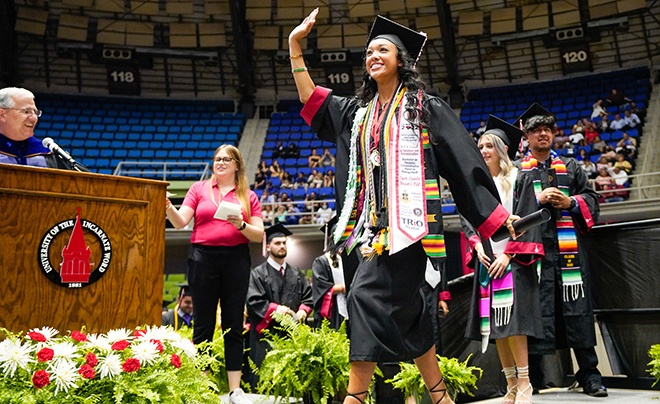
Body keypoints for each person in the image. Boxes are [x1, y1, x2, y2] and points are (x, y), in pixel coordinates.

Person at [289, 12, 517, 404]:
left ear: (401, 60)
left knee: (361, 297)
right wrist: (295, 48)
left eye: (383, 49)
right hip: (368, 231)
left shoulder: (424, 109)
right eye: (369, 52)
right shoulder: (356, 113)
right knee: (410, 314)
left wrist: (495, 217)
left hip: (411, 229)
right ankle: (440, 394)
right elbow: (312, 98)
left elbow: (465, 162)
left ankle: (354, 397)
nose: (373, 55)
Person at [514, 104, 606, 398]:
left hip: (568, 255)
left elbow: (591, 198)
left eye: (547, 129)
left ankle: (590, 375)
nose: (542, 134)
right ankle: (535, 379)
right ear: (526, 136)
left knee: (576, 309)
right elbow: (508, 210)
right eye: (536, 130)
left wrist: (571, 203)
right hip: (534, 253)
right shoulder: (517, 172)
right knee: (536, 312)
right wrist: (535, 198)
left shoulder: (571, 166)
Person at [165, 144, 264, 404]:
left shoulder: (248, 196)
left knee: (233, 323)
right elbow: (180, 222)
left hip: (236, 260)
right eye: (216, 159)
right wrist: (168, 207)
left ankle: (235, 389)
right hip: (203, 258)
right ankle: (202, 385)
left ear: (236, 165)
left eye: (225, 159)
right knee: (203, 324)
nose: (219, 163)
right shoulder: (198, 189)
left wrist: (241, 224)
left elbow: (258, 233)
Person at [462, 116, 544, 404]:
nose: (483, 150)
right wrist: (475, 245)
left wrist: (508, 254)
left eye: (489, 146)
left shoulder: (519, 178)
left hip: (513, 262)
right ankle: (510, 384)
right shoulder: (478, 186)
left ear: (502, 148)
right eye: (480, 146)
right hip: (487, 263)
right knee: (497, 327)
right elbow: (469, 221)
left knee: (514, 325)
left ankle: (525, 383)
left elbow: (529, 219)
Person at [246, 224, 313, 388]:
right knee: (265, 381)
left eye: (284, 242)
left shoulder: (296, 273)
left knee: (293, 382)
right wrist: (277, 309)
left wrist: (303, 311)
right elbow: (254, 301)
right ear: (267, 247)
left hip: (292, 336)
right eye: (277, 243)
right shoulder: (257, 274)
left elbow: (308, 297)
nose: (282, 246)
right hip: (266, 338)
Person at [0, 87, 88, 171]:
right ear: (2, 114)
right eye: (26, 111)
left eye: (35, 112)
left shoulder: (46, 153)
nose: (33, 118)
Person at [312, 217, 349, 330]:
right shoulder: (322, 262)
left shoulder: (352, 259)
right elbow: (320, 288)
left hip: (353, 307)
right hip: (333, 312)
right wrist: (344, 288)